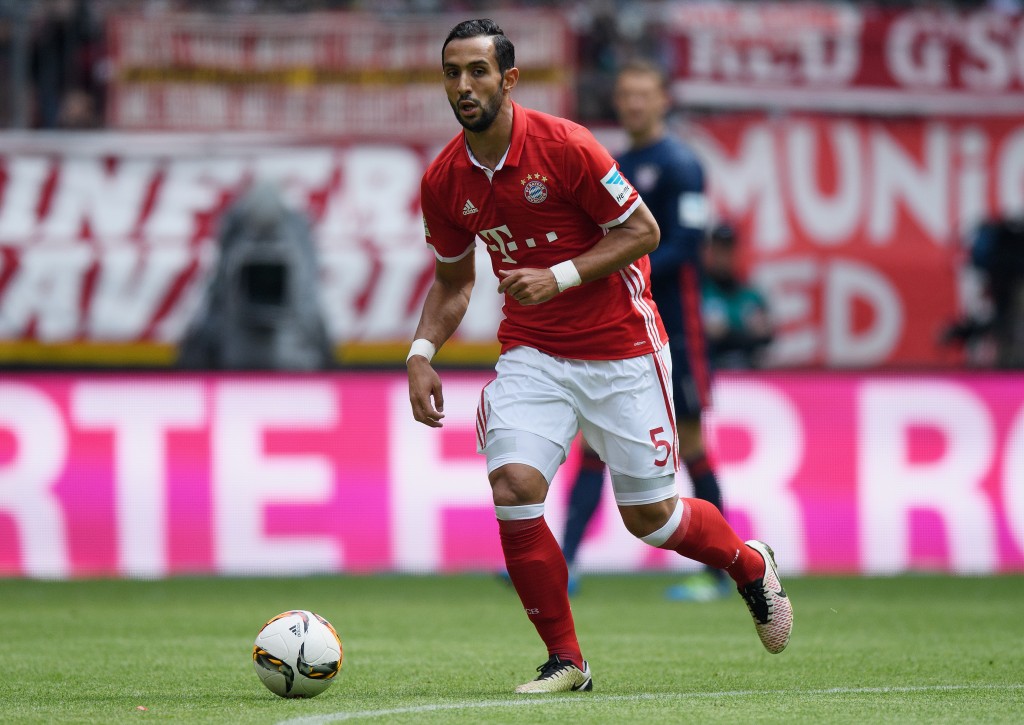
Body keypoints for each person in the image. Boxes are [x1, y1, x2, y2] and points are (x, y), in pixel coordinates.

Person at [407, 19, 793, 695]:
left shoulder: (566, 146)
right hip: (532, 352)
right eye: (452, 73)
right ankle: (566, 659)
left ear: (509, 79)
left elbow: (645, 230)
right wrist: (420, 350)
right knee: (513, 488)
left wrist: (557, 275)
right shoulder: (445, 179)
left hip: (622, 349)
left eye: (477, 71)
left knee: (654, 518)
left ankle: (748, 564)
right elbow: (453, 280)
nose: (463, 85)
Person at [560, 59, 732, 603]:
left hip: (677, 329)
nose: (634, 103)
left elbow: (687, 244)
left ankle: (721, 571)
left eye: (644, 94)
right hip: (622, 326)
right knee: (593, 439)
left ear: (663, 100)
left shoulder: (681, 164)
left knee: (692, 441)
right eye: (626, 94)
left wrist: (613, 266)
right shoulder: (620, 162)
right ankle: (564, 562)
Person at [701, 221, 775, 370]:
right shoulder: (700, 292)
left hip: (747, 376)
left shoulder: (751, 295)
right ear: (711, 251)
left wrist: (725, 332)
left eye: (728, 249)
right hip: (712, 370)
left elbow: (766, 334)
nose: (723, 256)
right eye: (719, 249)